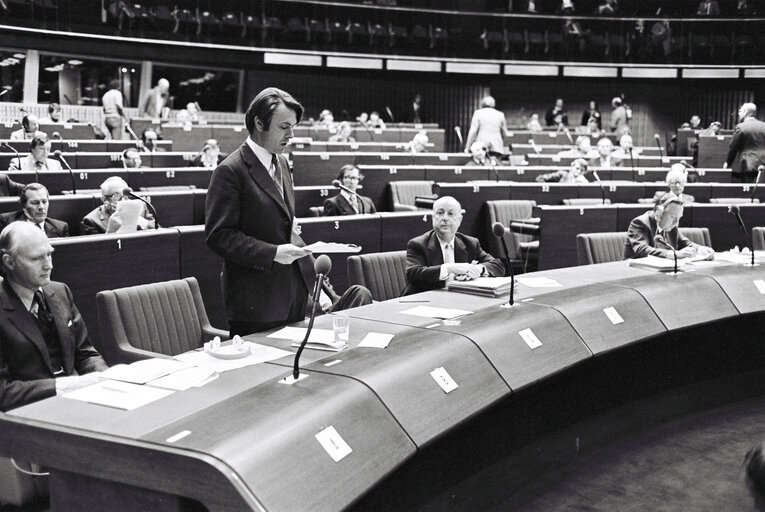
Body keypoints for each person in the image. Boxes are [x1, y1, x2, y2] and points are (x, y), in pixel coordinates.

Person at [206, 87, 370, 336]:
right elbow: (219, 236)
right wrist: (272, 253)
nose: (291, 135)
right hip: (257, 301)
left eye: (293, 127)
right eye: (284, 127)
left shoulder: (281, 162)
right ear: (259, 123)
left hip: (293, 293)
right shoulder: (230, 171)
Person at [0, 221, 107, 411]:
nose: (48, 265)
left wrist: (105, 377)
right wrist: (62, 387)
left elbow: (84, 353)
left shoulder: (60, 291)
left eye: (49, 254)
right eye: (36, 259)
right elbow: (3, 392)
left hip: (77, 399)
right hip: (30, 412)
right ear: (9, 262)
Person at [402, 196, 504, 296]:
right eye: (440, 213)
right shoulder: (417, 244)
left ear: (459, 220)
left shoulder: (471, 243)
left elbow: (498, 266)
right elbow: (413, 274)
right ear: (433, 217)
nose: (445, 218)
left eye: (450, 214)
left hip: (459, 299)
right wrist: (450, 268)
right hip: (423, 301)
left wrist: (478, 269)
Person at [624, 192, 714, 260]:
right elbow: (642, 250)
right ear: (659, 213)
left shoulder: (672, 227)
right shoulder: (640, 223)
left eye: (679, 218)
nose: (676, 222)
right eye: (673, 217)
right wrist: (673, 254)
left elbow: (686, 243)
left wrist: (701, 249)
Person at [80, 176, 156, 235]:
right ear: (104, 199)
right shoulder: (91, 220)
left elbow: (158, 231)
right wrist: (110, 231)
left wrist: (140, 220)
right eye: (117, 196)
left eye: (126, 196)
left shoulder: (141, 207)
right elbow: (94, 251)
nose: (124, 201)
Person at [0, 184, 69, 238]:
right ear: (23, 205)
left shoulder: (61, 228)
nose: (41, 207)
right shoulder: (7, 223)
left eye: (44, 202)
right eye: (35, 203)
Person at [725, 102, 765, 183]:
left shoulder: (741, 127)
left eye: (740, 111)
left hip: (748, 165)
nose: (739, 113)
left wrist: (728, 163)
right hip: (763, 165)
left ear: (745, 112)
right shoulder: (764, 126)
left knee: (749, 192)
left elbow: (733, 147)